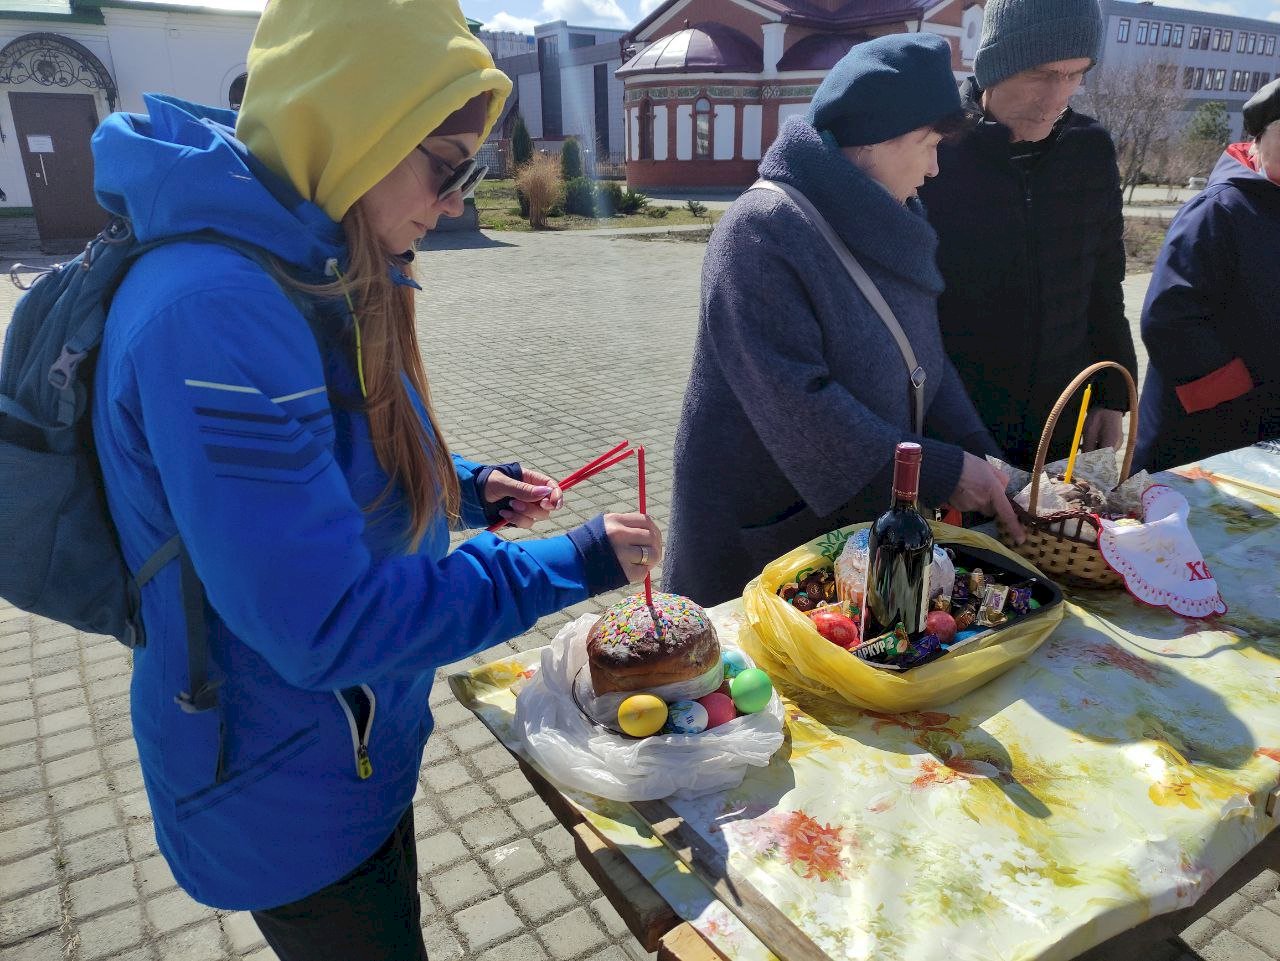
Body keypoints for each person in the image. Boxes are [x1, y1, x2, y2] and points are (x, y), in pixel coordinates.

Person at [88, 1, 662, 957]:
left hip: (346, 751)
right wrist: (573, 561)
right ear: (357, 126)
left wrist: (464, 486)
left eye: (472, 171)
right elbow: (326, 623)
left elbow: (329, 449)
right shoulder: (216, 312)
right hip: (281, 788)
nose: (454, 202)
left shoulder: (316, 245)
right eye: (447, 165)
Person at [663, 34, 1022, 609]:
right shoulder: (762, 230)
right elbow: (800, 404)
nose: (935, 169)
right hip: (766, 534)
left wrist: (983, 454)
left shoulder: (894, 216)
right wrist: (943, 472)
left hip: (862, 526)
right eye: (929, 145)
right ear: (875, 141)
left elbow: (923, 356)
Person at [918, 0, 1139, 468]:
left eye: (1075, 74)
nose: (1057, 97)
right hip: (951, 427)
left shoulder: (1090, 151)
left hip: (1061, 422)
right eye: (1041, 74)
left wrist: (1113, 393)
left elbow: (1103, 280)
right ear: (996, 65)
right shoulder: (933, 150)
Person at [1135, 78, 1280, 471]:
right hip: (1202, 435)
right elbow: (1169, 319)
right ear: (1259, 137)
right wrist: (1246, 395)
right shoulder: (1219, 209)